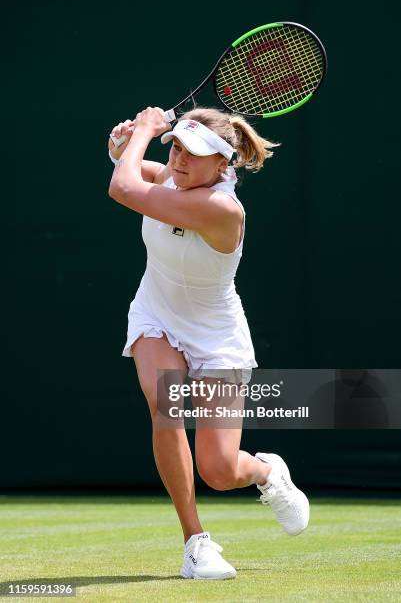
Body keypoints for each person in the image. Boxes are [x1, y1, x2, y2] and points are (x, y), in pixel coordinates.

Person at [107, 106, 309, 580]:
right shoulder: (174, 180)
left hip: (217, 336)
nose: (177, 160)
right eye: (175, 145)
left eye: (192, 153)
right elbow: (129, 167)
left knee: (218, 472)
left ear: (223, 164)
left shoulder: (221, 209)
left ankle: (265, 472)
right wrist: (123, 144)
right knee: (166, 405)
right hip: (156, 313)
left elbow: (124, 186)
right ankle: (195, 542)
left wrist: (143, 134)